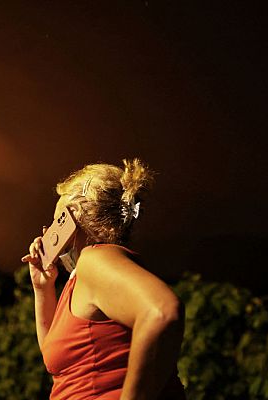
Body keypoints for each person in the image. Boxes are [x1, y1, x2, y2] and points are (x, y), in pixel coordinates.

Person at [21, 159, 185, 400]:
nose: (48, 232)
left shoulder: (96, 260)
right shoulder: (83, 279)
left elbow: (162, 312)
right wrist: (42, 289)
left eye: (57, 221)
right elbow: (58, 364)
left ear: (73, 217)